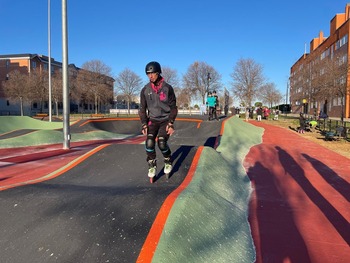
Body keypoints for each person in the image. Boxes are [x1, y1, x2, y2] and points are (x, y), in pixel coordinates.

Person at [139, 61, 178, 181]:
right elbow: (142, 109)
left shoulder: (167, 88)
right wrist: (144, 124)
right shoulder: (145, 90)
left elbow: (173, 108)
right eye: (148, 74)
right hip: (153, 120)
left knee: (161, 143)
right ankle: (152, 164)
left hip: (165, 120)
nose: (150, 76)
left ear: (158, 73)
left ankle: (167, 159)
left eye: (153, 73)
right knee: (149, 143)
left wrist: (171, 123)